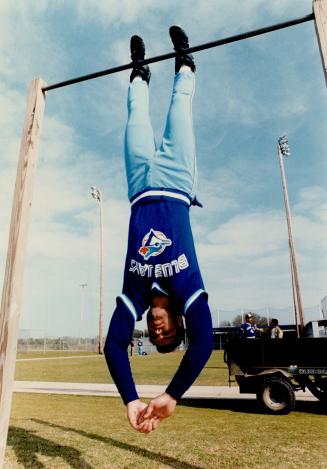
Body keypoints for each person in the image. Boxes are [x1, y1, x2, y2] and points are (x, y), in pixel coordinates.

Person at [104, 26, 213, 434]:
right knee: (179, 107)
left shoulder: (134, 293)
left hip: (138, 187)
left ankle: (138, 72)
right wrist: (172, 395)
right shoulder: (188, 288)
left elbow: (113, 346)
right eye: (167, 335)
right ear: (181, 323)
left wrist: (131, 399)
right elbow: (203, 345)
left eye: (155, 337)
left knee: (135, 115)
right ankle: (184, 60)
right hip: (177, 180)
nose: (157, 330)